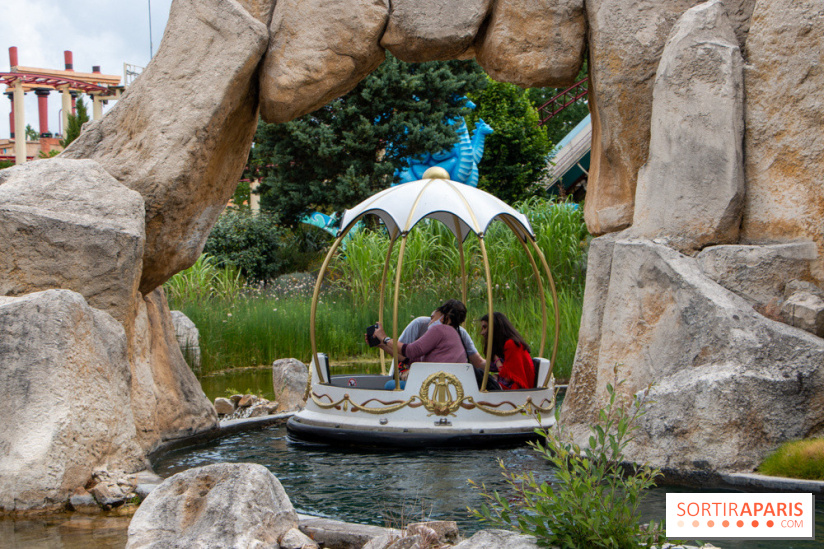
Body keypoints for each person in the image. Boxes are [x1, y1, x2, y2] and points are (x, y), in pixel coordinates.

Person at [373, 299, 470, 389]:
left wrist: (385, 338)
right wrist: (382, 345)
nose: (429, 323)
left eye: (432, 318)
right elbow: (409, 359)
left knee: (390, 385)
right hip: (448, 386)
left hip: (435, 387)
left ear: (446, 319)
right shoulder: (454, 334)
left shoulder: (440, 329)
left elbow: (411, 351)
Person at [479, 312, 535, 390]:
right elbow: (489, 366)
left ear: (494, 327)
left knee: (480, 378)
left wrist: (496, 359)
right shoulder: (506, 344)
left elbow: (507, 377)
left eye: (485, 327)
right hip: (511, 386)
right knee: (478, 374)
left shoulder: (512, 344)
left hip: (517, 389)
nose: (482, 332)